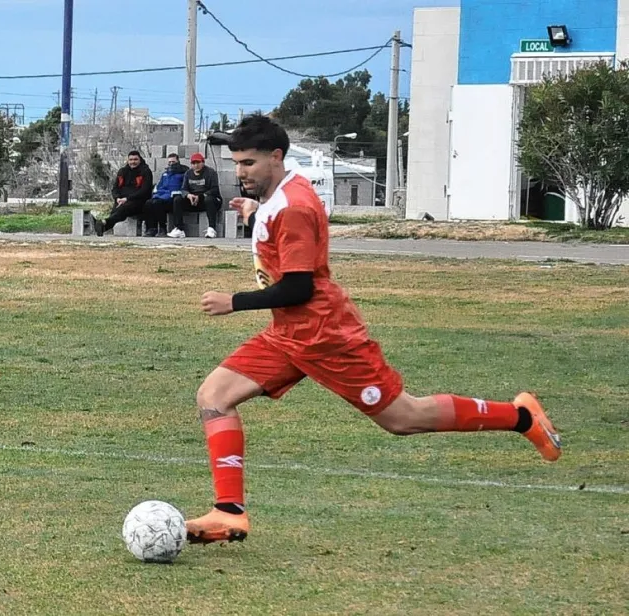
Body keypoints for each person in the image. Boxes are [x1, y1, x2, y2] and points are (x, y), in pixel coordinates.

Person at [184, 114, 562, 544]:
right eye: (235, 163)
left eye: (248, 163)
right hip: (289, 334)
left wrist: (234, 302)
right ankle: (229, 512)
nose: (240, 172)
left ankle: (522, 416)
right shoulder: (282, 193)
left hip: (326, 335)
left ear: (276, 157)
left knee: (405, 418)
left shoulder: (294, 208)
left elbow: (298, 286)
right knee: (214, 396)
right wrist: (256, 211)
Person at [92, 151, 154, 236]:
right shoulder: (123, 171)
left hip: (138, 201)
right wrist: (117, 198)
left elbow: (145, 190)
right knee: (117, 211)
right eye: (131, 160)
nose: (133, 162)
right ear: (128, 160)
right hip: (121, 200)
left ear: (140, 160)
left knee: (121, 209)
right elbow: (115, 188)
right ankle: (103, 225)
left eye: (135, 159)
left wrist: (127, 199)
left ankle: (103, 223)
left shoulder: (146, 171)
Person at [167, 152, 222, 239]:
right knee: (177, 199)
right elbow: (183, 189)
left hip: (208, 199)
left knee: (209, 199)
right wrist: (188, 195)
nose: (196, 165)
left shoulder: (211, 172)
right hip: (192, 200)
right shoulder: (188, 173)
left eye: (198, 163)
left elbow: (214, 189)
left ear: (203, 163)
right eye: (193, 163)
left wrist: (201, 196)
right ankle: (179, 229)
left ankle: (212, 228)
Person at [143, 153, 188, 237]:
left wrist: (164, 194)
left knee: (157, 203)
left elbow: (181, 188)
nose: (171, 164)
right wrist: (157, 194)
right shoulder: (165, 174)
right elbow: (159, 187)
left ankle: (163, 228)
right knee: (148, 203)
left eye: (173, 161)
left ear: (178, 161)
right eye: (169, 162)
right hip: (163, 196)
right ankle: (151, 228)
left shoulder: (183, 173)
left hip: (174, 200)